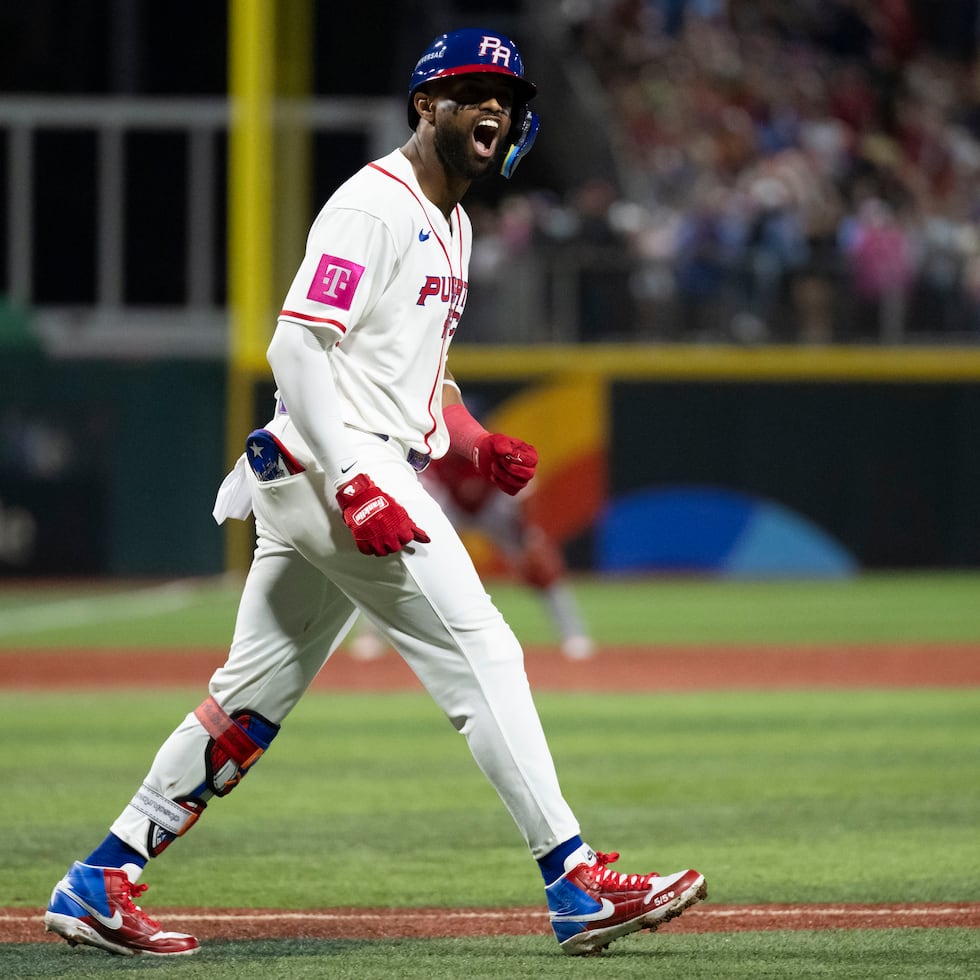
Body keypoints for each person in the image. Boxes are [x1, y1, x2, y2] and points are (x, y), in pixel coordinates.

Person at [43, 28, 705, 959]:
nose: (492, 107)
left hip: (324, 467)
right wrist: (357, 478)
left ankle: (100, 878)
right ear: (424, 106)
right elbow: (296, 348)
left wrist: (473, 443)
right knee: (487, 653)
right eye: (470, 90)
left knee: (249, 702)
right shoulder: (374, 202)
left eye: (507, 97)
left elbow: (407, 376)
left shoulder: (458, 222)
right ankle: (573, 879)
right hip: (333, 467)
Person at [349, 447, 595, 661]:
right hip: (452, 508)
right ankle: (371, 637)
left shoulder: (491, 453)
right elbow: (423, 493)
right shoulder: (434, 454)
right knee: (406, 563)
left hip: (494, 509)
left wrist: (532, 537)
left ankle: (573, 635)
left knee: (543, 568)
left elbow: (525, 492)